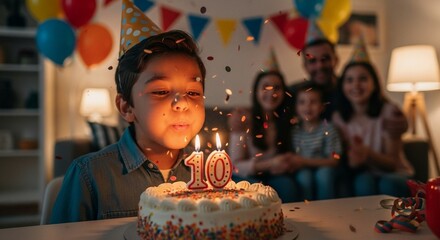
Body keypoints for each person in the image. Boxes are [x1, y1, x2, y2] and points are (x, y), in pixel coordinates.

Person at [50, 28, 207, 223]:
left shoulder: (211, 171)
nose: (182, 103)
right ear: (126, 108)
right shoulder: (88, 175)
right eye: (160, 91)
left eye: (193, 93)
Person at [289, 38, 407, 138]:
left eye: (325, 59)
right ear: (305, 66)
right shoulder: (294, 93)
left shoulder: (350, 88)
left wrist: (403, 121)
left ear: (336, 60)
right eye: (312, 61)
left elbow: (378, 103)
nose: (320, 65)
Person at [332, 61, 414, 197]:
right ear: (342, 86)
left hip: (392, 172)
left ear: (374, 84)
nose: (356, 85)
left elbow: (392, 164)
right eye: (349, 80)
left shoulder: (389, 112)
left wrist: (367, 154)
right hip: (363, 172)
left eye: (363, 79)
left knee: (388, 183)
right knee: (363, 182)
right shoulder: (339, 117)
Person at [228, 71, 300, 203]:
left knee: (288, 186)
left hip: (275, 175)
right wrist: (270, 164)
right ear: (256, 92)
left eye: (277, 88)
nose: (271, 92)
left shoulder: (288, 120)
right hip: (247, 176)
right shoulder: (243, 119)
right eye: (265, 87)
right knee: (256, 193)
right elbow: (235, 166)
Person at [291, 82, 343, 200]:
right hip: (304, 169)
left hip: (325, 168)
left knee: (324, 175)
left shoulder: (329, 129)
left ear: (322, 107)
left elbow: (334, 160)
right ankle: (306, 211)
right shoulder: (295, 131)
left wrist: (303, 161)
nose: (307, 107)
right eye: (302, 102)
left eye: (313, 102)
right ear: (296, 107)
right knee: (304, 177)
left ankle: (327, 211)